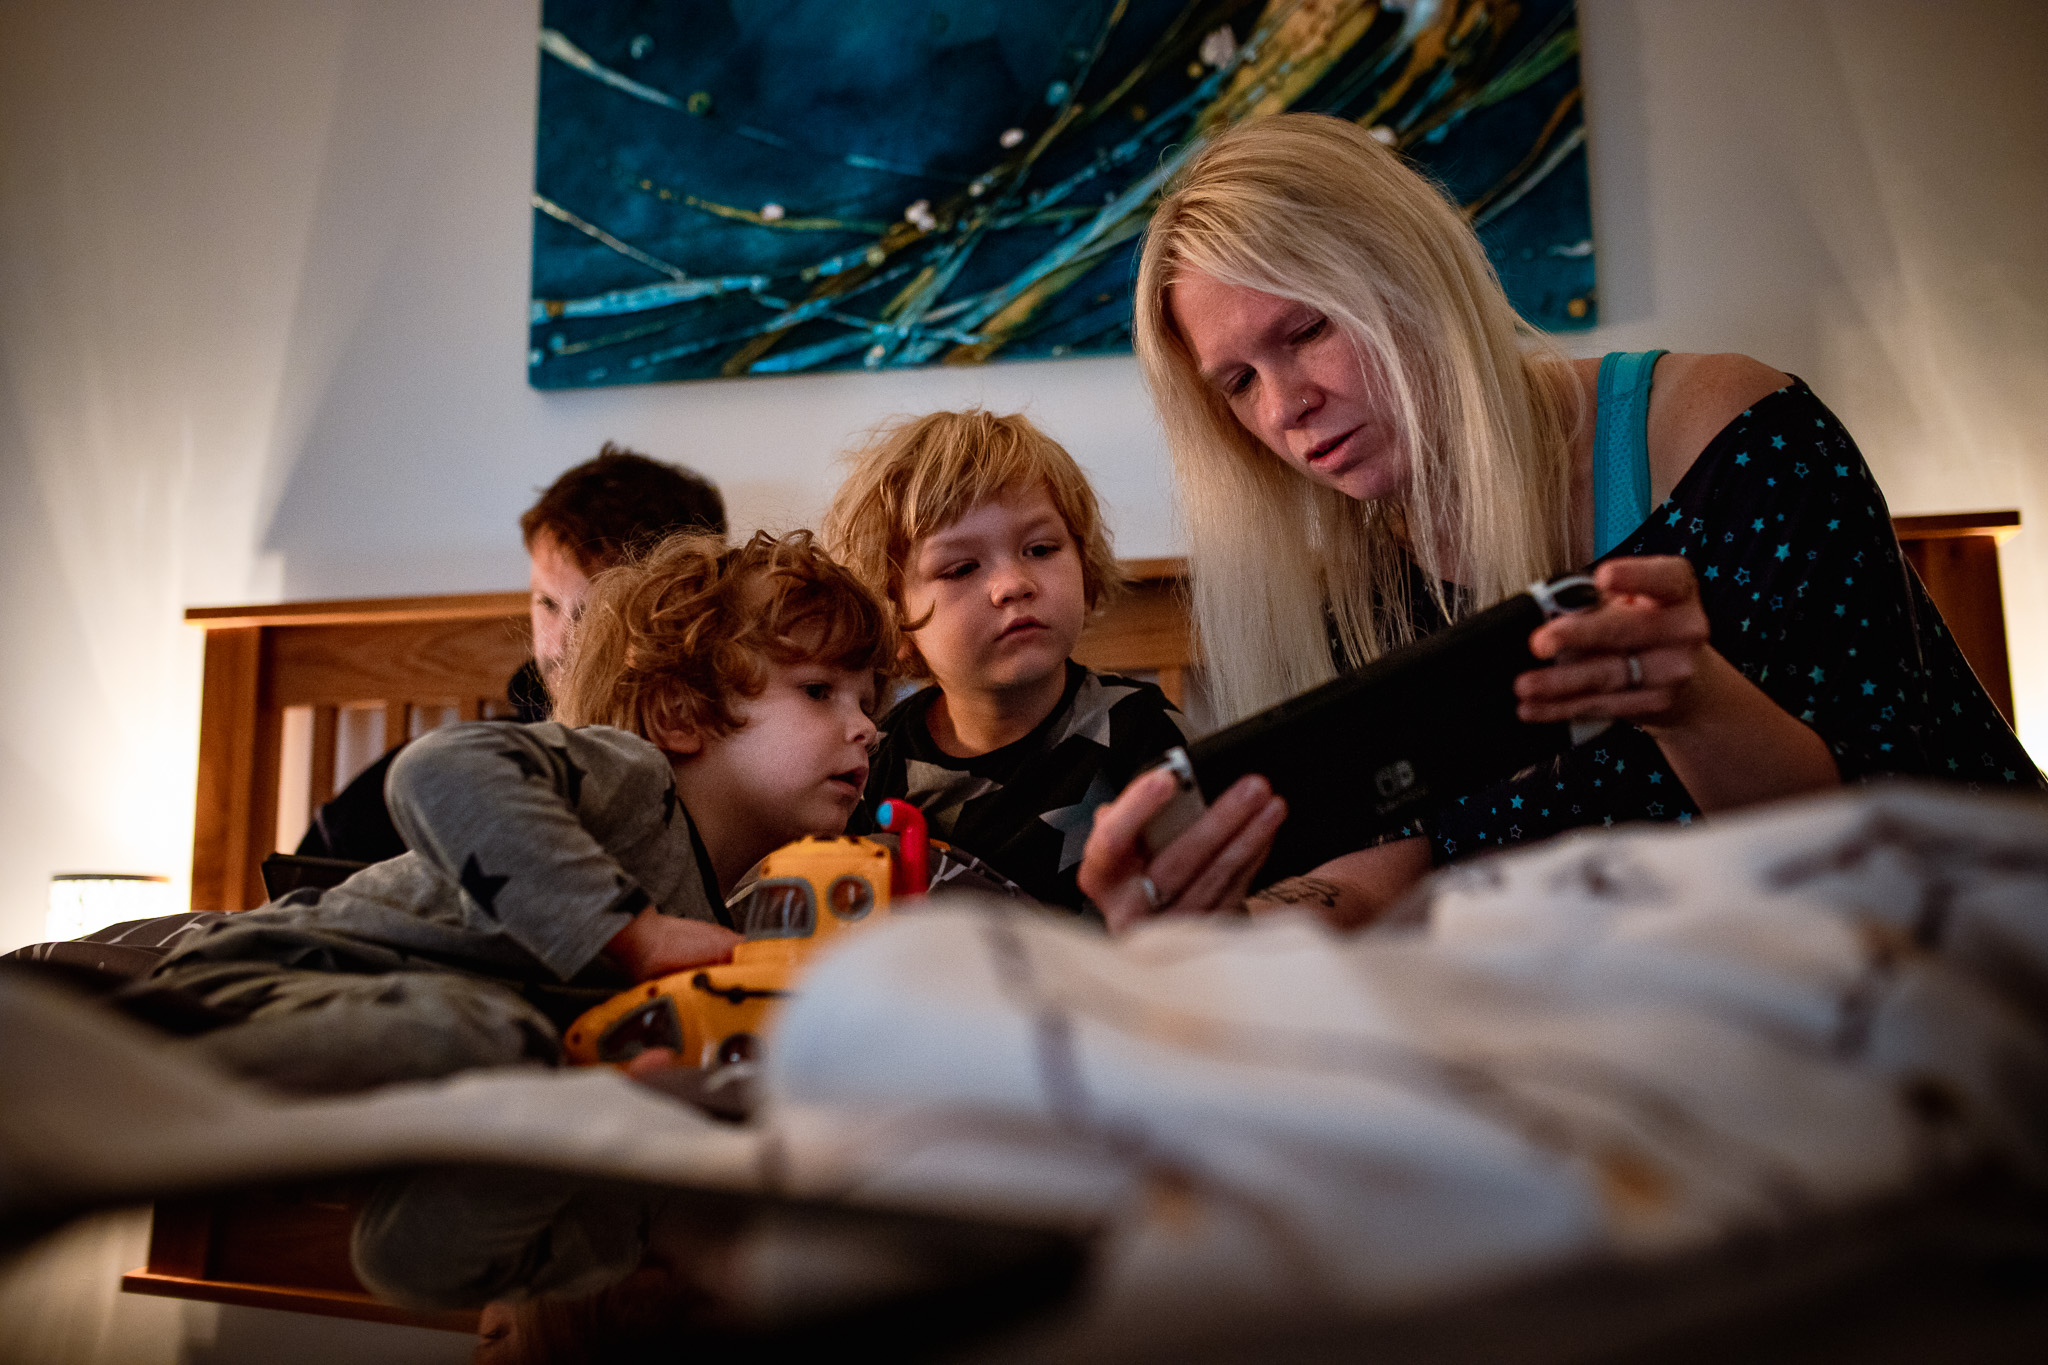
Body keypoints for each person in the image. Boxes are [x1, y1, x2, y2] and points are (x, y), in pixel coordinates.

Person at [1077, 112, 2040, 935]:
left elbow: (1885, 839)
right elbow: (1383, 873)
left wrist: (1690, 701)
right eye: (1238, 383)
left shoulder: (1725, 437)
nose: (1286, 406)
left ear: (1408, 277)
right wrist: (1216, 925)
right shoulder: (1364, 590)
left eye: (1308, 330)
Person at [128, 531, 892, 1094]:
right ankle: (123, 1064)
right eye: (820, 691)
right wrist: (635, 933)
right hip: (267, 977)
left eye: (869, 700)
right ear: (678, 715)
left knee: (526, 1061)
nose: (866, 726)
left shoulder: (726, 906)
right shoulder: (628, 783)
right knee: (494, 1039)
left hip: (412, 1059)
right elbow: (439, 771)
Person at [822, 409, 1193, 917]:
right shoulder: (874, 759)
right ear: (894, 616)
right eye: (962, 568)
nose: (1014, 584)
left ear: (1084, 567)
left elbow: (1207, 909)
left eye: (1040, 549)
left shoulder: (1141, 729)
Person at [298, 444, 726, 863]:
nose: (559, 644)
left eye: (592, 612)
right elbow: (299, 892)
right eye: (548, 604)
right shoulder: (467, 768)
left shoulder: (716, 775)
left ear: (676, 615)